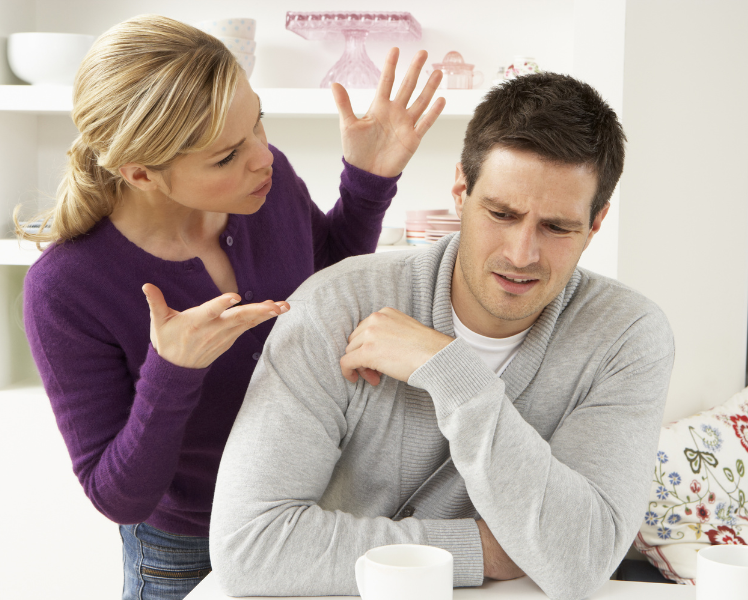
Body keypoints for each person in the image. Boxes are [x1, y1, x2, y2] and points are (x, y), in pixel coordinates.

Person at [19, 14, 445, 600]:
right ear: (140, 172)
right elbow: (119, 497)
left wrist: (368, 182)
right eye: (226, 156)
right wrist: (172, 373)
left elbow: (324, 281)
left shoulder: (267, 192)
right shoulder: (66, 288)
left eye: (258, 123)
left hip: (315, 514)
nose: (262, 157)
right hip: (186, 554)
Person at [210, 72, 675, 600]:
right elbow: (248, 549)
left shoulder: (627, 336)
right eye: (501, 214)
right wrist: (480, 548)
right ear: (460, 190)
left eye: (558, 228)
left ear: (595, 225)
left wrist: (455, 377)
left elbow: (582, 560)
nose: (522, 254)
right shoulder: (334, 306)